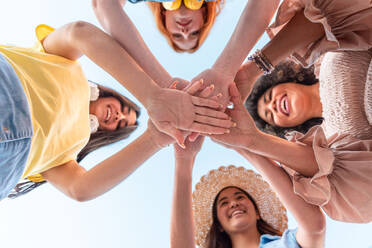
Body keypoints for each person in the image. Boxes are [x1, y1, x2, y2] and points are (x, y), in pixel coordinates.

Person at [0, 21, 232, 201]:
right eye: (123, 109)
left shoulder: (69, 151)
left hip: (9, 161)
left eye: (120, 124)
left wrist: (154, 138)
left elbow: (80, 189)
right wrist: (152, 96)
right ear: (109, 94)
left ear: (104, 134)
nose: (120, 116)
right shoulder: (64, 62)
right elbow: (79, 32)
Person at [210, 81, 372, 224]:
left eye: (269, 96)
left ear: (286, 80)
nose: (272, 105)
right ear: (290, 129)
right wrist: (251, 143)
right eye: (270, 115)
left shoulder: (321, 58)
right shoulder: (336, 145)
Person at [169, 134, 325, 248]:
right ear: (219, 226)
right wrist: (184, 159)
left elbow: (314, 226)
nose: (234, 203)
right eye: (223, 203)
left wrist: (245, 146)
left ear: (257, 213)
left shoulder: (286, 243)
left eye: (240, 197)